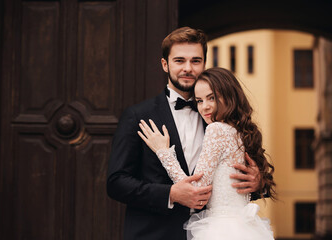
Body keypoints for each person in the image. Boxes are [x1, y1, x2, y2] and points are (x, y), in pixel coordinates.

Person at [107, 27, 264, 240]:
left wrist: (256, 183)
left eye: (196, 61)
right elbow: (116, 182)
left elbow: (232, 181)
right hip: (153, 234)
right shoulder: (138, 116)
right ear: (165, 64)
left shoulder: (219, 118)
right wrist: (170, 194)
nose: (188, 68)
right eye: (179, 60)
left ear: (204, 64)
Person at [138, 67, 276, 240]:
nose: (205, 107)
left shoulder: (216, 129)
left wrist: (164, 153)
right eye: (199, 101)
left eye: (211, 98)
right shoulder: (242, 132)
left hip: (221, 229)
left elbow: (197, 191)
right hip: (245, 227)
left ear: (229, 95)